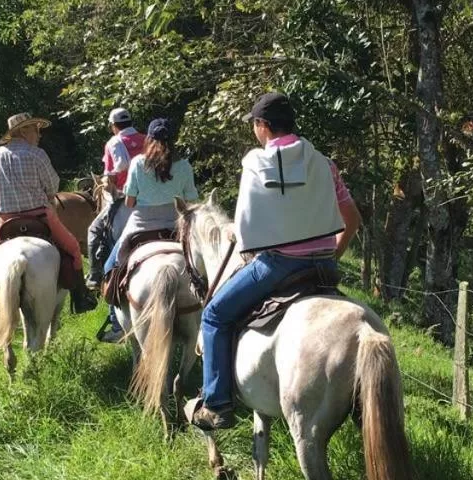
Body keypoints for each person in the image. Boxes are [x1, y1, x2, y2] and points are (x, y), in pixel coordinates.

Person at [187, 92, 361, 430]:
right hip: (325, 266)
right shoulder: (325, 164)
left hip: (277, 266)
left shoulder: (256, 163)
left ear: (262, 126)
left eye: (255, 124)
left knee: (214, 316)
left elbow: (247, 230)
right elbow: (351, 219)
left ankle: (217, 404)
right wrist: (331, 255)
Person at [0, 111, 97, 313]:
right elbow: (53, 186)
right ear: (23, 131)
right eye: (35, 129)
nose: (39, 134)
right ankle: (81, 298)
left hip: (6, 220)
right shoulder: (37, 154)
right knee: (73, 248)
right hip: (40, 217)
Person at [102, 117, 198, 292]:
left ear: (149, 138)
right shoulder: (184, 166)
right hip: (176, 226)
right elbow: (191, 202)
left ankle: (114, 313)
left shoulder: (138, 163)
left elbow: (129, 203)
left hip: (141, 226)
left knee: (111, 266)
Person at [86, 107, 146, 289]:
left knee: (94, 231)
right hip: (150, 196)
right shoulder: (147, 139)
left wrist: (108, 178)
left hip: (123, 196)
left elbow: (119, 167)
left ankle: (95, 275)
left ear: (114, 126)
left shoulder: (114, 142)